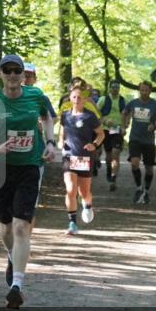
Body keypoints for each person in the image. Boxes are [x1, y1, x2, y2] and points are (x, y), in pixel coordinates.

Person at [0, 54, 55, 309]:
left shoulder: (35, 96)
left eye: (17, 70)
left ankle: (16, 285)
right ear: (0, 73)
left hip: (30, 166)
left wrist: (50, 142)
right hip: (0, 169)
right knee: (6, 227)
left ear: (22, 74)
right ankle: (11, 256)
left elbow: (48, 117)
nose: (13, 75)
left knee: (20, 227)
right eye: (8, 70)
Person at [59, 80, 105, 234]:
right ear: (70, 98)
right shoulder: (65, 115)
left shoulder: (89, 116)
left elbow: (101, 134)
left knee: (84, 192)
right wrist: (61, 142)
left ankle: (88, 205)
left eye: (80, 97)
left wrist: (94, 144)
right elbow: (63, 131)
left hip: (84, 157)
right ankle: (72, 223)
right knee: (70, 189)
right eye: (74, 97)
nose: (77, 100)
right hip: (69, 156)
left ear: (84, 99)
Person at [122, 81, 156, 204]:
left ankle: (146, 190)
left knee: (149, 169)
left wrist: (155, 126)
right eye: (142, 90)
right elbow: (124, 113)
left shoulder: (155, 105)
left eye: (146, 90)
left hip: (148, 141)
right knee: (134, 163)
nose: (144, 92)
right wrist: (124, 126)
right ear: (139, 90)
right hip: (135, 138)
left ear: (150, 91)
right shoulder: (133, 103)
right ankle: (138, 187)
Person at [97, 80, 127, 191]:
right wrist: (104, 120)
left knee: (116, 153)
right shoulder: (103, 99)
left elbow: (127, 114)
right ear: (109, 88)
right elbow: (96, 112)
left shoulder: (123, 100)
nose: (115, 89)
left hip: (118, 130)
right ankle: (109, 170)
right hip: (105, 130)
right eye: (113, 87)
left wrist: (124, 126)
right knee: (109, 155)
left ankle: (114, 177)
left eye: (117, 87)